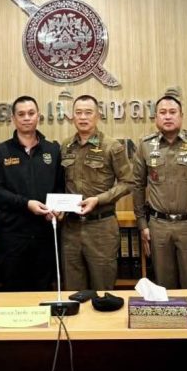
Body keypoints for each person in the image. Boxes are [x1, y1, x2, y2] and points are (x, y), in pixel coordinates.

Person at [132, 95, 187, 289]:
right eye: (162, 112)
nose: (167, 116)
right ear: (156, 117)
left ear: (181, 116)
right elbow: (137, 185)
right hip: (158, 226)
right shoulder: (145, 145)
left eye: (172, 112)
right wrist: (142, 224)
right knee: (163, 286)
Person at [0, 96, 64, 292]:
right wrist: (26, 204)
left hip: (45, 236)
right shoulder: (1, 151)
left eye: (31, 113)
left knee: (43, 292)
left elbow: (60, 186)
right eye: (21, 114)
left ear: (38, 116)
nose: (27, 118)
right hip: (13, 237)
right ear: (13, 119)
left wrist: (57, 209)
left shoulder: (52, 150)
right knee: (14, 294)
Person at [61, 95, 133, 291]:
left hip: (101, 227)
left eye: (88, 112)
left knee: (102, 290)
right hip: (71, 228)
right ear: (72, 117)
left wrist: (99, 199)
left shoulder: (112, 146)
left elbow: (128, 182)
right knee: (73, 291)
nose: (83, 117)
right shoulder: (65, 146)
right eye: (78, 113)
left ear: (98, 116)